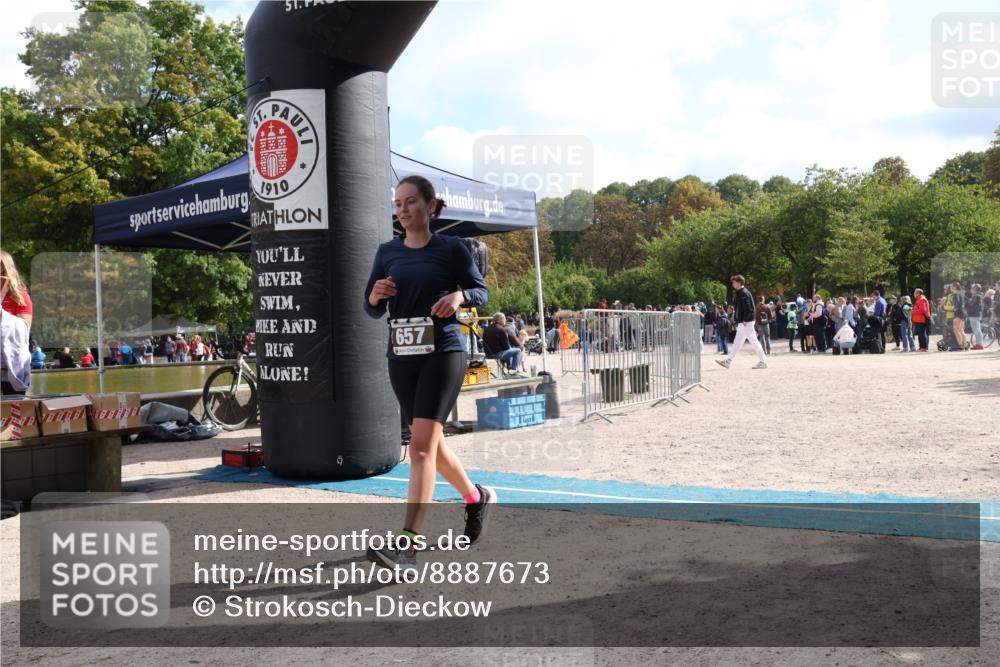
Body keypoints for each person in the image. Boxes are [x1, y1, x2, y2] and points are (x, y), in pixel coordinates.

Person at [363, 174, 496, 572]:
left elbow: (481, 291)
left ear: (431, 206)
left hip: (444, 351)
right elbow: (370, 306)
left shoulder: (451, 249)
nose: (402, 210)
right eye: (398, 203)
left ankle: (407, 546)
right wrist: (374, 296)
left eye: (411, 202)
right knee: (432, 447)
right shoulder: (387, 252)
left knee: (420, 448)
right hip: (401, 355)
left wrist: (460, 295)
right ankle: (476, 497)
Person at [715, 275, 767, 369]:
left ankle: (763, 361)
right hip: (744, 322)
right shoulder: (742, 292)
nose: (733, 283)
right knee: (737, 343)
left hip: (745, 322)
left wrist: (744, 319)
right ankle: (728, 361)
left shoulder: (743, 293)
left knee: (753, 341)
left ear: (739, 282)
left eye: (734, 282)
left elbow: (749, 308)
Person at [484, 312, 525, 377]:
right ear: (500, 320)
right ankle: (513, 371)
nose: (505, 320)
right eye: (504, 319)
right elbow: (506, 347)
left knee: (510, 350)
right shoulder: (501, 329)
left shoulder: (486, 329)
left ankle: (509, 368)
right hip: (497, 354)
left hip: (488, 354)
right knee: (517, 351)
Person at [945, 282, 967, 351]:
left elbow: (956, 304)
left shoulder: (955, 294)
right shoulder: (961, 293)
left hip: (958, 313)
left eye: (951, 287)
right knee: (961, 330)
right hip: (963, 313)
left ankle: (960, 346)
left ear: (955, 287)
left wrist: (954, 308)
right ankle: (965, 346)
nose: (950, 288)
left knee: (956, 330)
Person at [967, 284, 984, 350]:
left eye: (972, 288)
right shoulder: (980, 295)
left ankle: (979, 344)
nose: (971, 289)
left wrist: (968, 302)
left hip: (974, 315)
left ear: (975, 289)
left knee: (976, 330)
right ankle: (979, 344)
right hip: (976, 314)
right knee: (977, 329)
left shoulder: (976, 296)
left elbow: (970, 304)